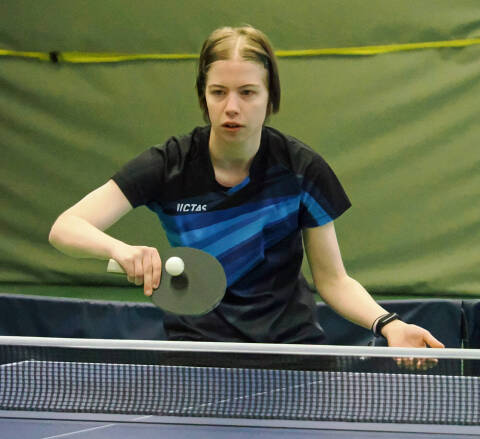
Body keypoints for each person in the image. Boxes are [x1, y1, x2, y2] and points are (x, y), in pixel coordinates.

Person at [49, 26, 444, 351]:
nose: (232, 107)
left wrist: (390, 324)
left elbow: (332, 280)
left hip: (290, 350)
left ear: (270, 97)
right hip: (197, 352)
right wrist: (118, 249)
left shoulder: (300, 170)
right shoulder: (169, 165)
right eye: (218, 92)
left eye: (248, 92)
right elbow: (66, 227)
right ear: (204, 96)